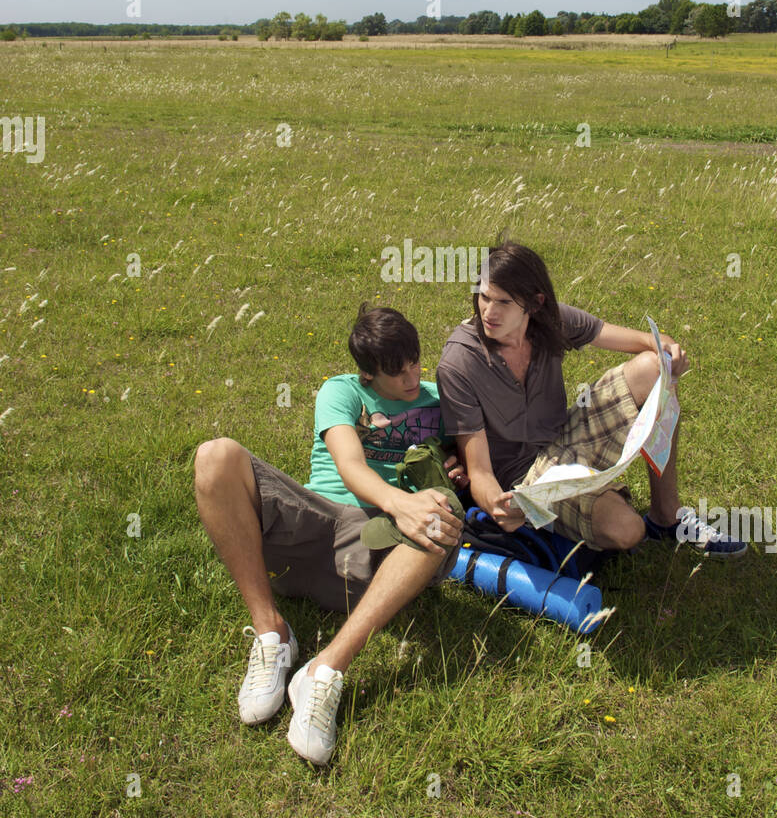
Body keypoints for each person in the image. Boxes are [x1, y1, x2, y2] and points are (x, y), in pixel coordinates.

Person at [194, 303, 466, 767]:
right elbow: (350, 466)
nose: (409, 379)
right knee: (216, 455)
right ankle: (272, 634)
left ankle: (324, 670)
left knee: (446, 517)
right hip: (315, 521)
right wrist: (400, 502)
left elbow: (465, 462)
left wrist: (450, 473)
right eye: (394, 372)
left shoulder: (440, 401)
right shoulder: (340, 391)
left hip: (371, 553)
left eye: (415, 363)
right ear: (366, 374)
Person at [436, 241, 747, 560]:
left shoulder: (550, 321)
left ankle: (666, 517)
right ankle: (596, 509)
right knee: (627, 530)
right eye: (484, 297)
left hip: (566, 436)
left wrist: (667, 349)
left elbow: (636, 339)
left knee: (655, 369)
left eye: (503, 302)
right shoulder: (460, 362)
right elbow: (481, 472)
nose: (489, 311)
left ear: (534, 303)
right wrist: (497, 505)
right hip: (526, 478)